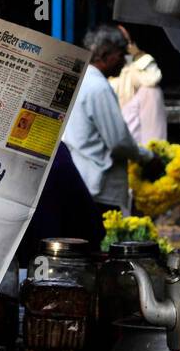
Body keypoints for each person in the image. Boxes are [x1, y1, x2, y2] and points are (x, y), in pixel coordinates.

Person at [61, 25, 166, 212]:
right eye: (120, 55)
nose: (123, 62)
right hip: (101, 188)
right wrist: (148, 157)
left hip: (83, 180)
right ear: (104, 55)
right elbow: (119, 142)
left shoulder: (80, 79)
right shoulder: (98, 87)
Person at [108, 26, 168, 147]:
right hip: (109, 127)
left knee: (152, 91)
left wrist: (134, 54)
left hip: (130, 123)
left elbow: (153, 78)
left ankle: (155, 152)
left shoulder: (131, 62)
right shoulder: (97, 68)